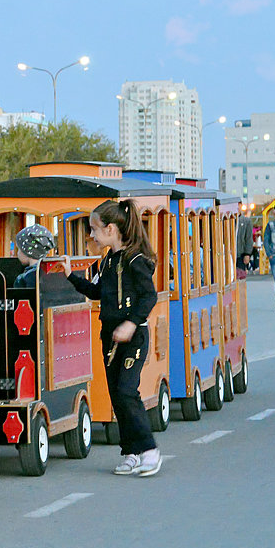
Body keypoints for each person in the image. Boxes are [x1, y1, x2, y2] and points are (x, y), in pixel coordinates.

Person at [63, 199, 160, 477]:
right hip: (110, 338)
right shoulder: (107, 262)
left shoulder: (135, 259)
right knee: (117, 394)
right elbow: (96, 293)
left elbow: (148, 296)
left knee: (127, 391)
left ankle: (149, 450)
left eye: (94, 229)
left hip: (134, 337)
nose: (91, 235)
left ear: (110, 229)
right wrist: (71, 276)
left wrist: (131, 324)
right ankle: (130, 452)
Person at [13, 224, 55, 288]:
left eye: (19, 249)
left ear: (26, 251)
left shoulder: (23, 279)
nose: (17, 253)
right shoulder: (53, 273)